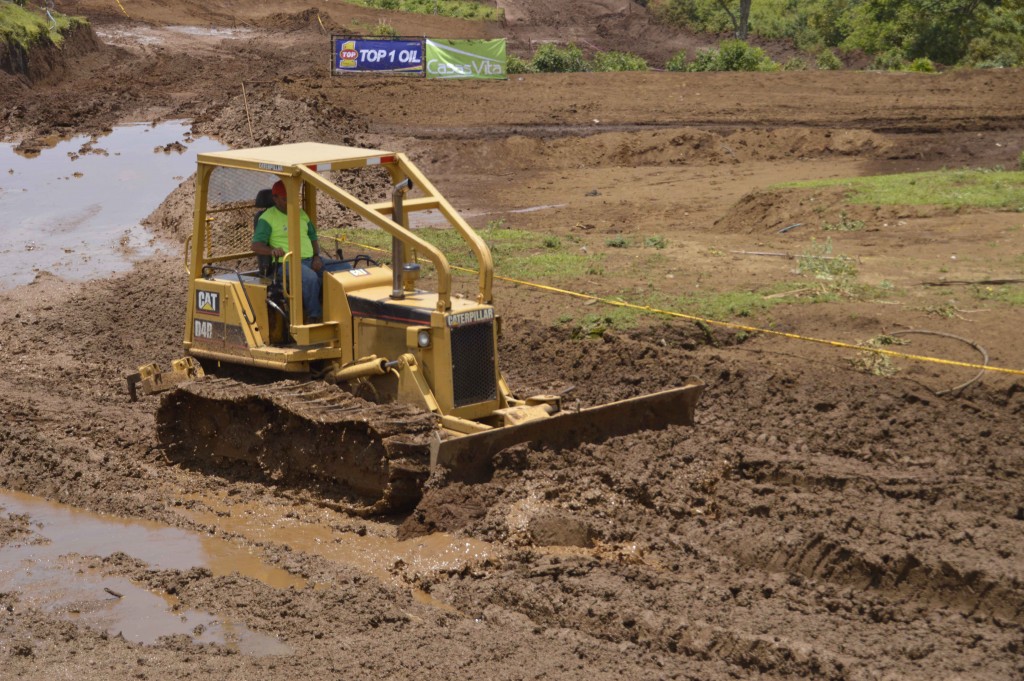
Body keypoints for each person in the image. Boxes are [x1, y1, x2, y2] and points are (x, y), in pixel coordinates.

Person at [251, 180, 346, 323]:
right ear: (274, 198)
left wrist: (316, 257)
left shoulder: (301, 213)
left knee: (345, 269)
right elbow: (256, 245)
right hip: (286, 263)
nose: (290, 201)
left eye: (292, 197)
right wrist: (272, 251)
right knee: (310, 278)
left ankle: (344, 311)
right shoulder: (266, 218)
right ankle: (314, 317)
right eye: (285, 198)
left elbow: (312, 237)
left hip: (310, 259)